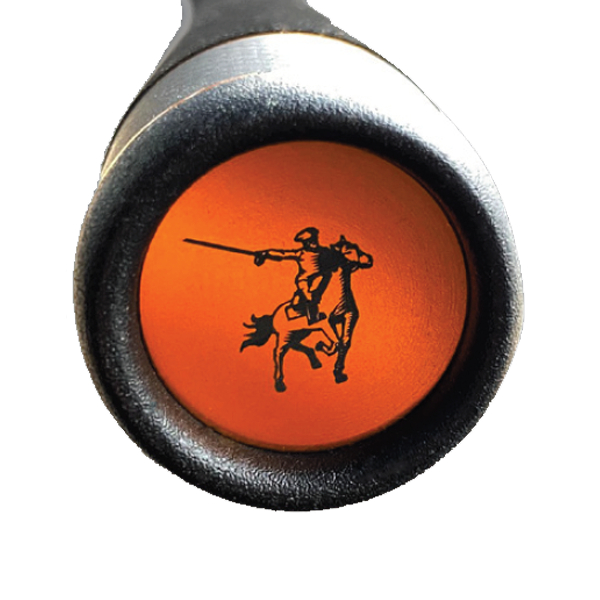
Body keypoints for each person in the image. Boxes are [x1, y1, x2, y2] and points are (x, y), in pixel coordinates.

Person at [254, 227, 330, 323]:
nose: (313, 243)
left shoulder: (325, 251)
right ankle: (313, 319)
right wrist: (266, 253)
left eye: (314, 240)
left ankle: (303, 308)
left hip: (319, 279)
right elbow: (282, 255)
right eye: (310, 241)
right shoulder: (300, 253)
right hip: (304, 281)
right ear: (305, 243)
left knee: (308, 299)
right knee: (309, 298)